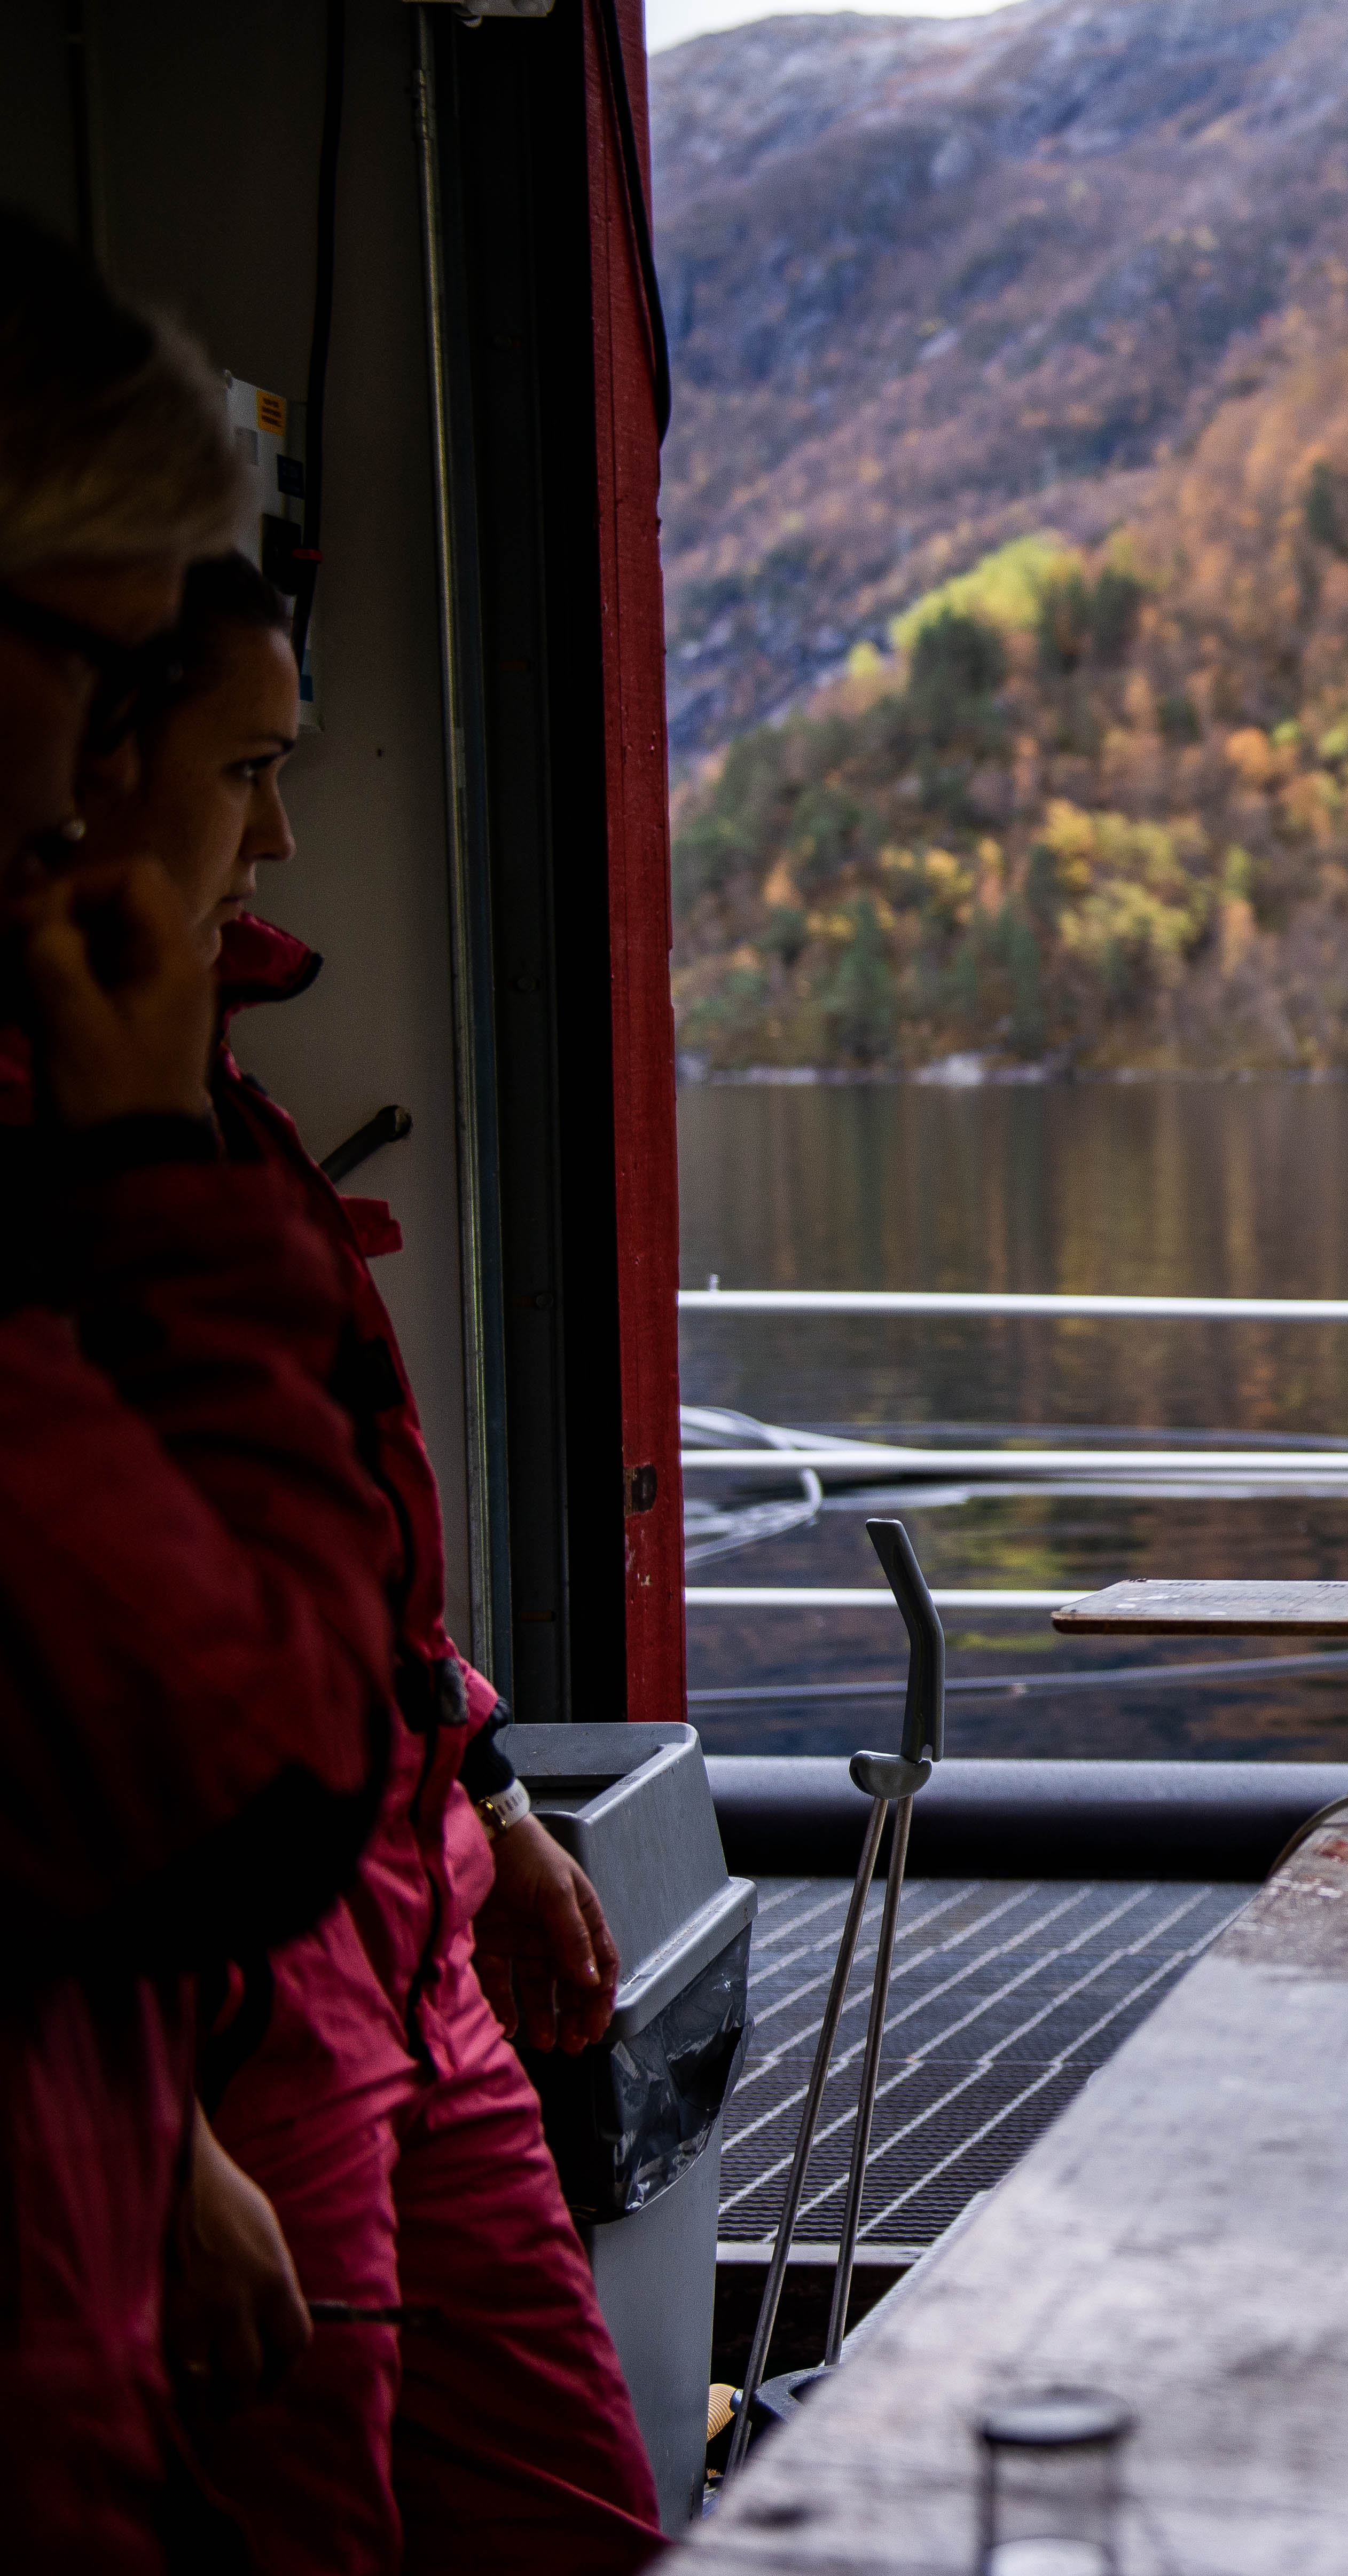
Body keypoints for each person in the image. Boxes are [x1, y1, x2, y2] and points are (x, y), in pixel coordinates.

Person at [63, 550, 666, 2571]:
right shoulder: (73, 1134)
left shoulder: (194, 1092)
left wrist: (486, 1788)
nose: (286, 828)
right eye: (248, 765)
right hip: (213, 2007)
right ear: (87, 756)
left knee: (577, 2511)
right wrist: (153, 2154)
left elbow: (321, 1534)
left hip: (405, 1924)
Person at [0, 211, 400, 2569]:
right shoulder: (112, 1129)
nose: (95, 762)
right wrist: (152, 1158)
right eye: (100, 663)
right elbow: (247, 1779)